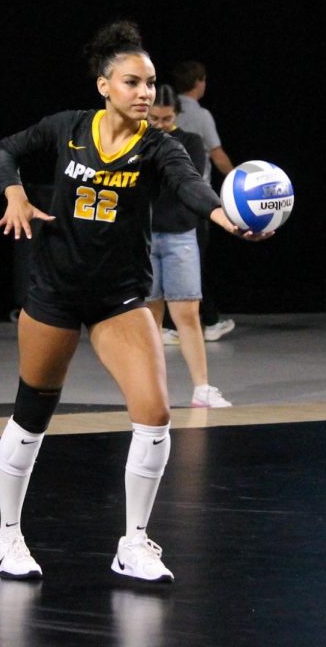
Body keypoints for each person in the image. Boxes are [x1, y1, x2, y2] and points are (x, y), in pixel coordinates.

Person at [0, 22, 268, 584]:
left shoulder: (160, 146)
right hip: (56, 291)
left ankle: (134, 543)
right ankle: (7, 537)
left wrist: (223, 215)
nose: (146, 93)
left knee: (155, 412)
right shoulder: (67, 128)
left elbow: (190, 186)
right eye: (133, 82)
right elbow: (3, 151)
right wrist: (14, 190)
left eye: (152, 83)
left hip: (118, 297)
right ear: (104, 86)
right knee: (32, 414)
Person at [145, 84, 232, 408]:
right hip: (144, 236)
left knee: (188, 315)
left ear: (176, 116)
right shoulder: (135, 139)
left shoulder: (190, 142)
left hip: (180, 235)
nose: (159, 124)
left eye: (166, 119)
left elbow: (183, 182)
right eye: (154, 118)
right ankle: (153, 391)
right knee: (149, 319)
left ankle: (202, 389)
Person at [172, 60, 236, 342]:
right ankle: (206, 322)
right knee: (193, 260)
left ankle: (172, 324)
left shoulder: (160, 110)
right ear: (199, 82)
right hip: (195, 199)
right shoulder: (201, 115)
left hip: (164, 198)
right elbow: (217, 155)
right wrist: (238, 181)